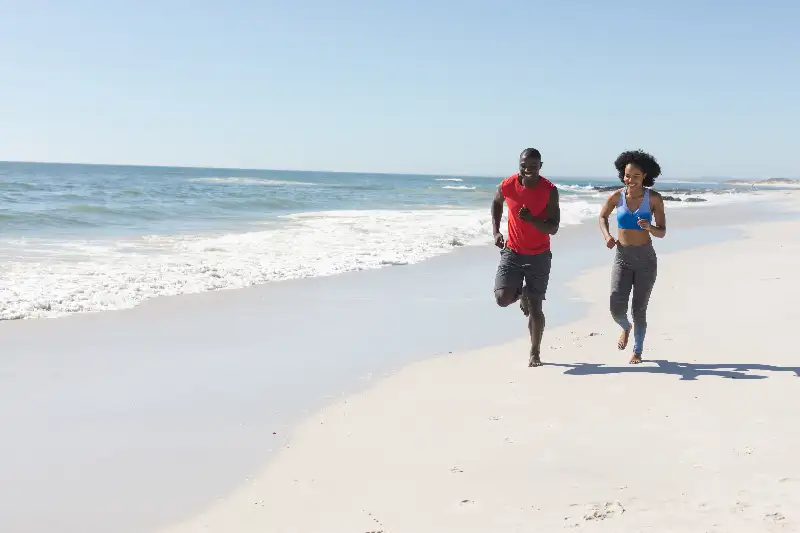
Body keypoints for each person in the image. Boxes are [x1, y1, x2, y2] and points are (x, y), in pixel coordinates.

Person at [492, 148, 560, 367]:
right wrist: (496, 231)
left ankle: (535, 353)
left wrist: (531, 219)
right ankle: (521, 294)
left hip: (539, 255)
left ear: (541, 166)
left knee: (536, 307)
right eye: (524, 165)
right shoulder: (508, 185)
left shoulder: (549, 190)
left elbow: (553, 227)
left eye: (533, 166)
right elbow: (496, 203)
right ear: (518, 165)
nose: (528, 170)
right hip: (512, 252)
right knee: (502, 298)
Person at [598, 150, 667, 364]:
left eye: (636, 176)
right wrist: (607, 236)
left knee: (639, 308)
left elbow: (662, 231)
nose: (631, 180)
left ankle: (637, 351)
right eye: (628, 176)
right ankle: (625, 327)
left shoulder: (654, 198)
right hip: (622, 257)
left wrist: (650, 227)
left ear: (645, 176)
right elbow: (602, 216)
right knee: (615, 306)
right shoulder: (617, 197)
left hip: (646, 258)